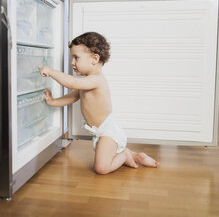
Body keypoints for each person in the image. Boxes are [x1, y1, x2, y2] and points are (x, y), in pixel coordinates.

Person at [38, 32, 159, 175]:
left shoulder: (96, 79)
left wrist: (51, 71)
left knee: (102, 168)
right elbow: (73, 96)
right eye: (72, 58)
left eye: (76, 58)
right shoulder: (87, 80)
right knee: (107, 157)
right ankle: (135, 156)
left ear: (94, 59)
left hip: (108, 131)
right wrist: (53, 101)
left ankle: (125, 154)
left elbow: (72, 82)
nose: (72, 62)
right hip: (101, 132)